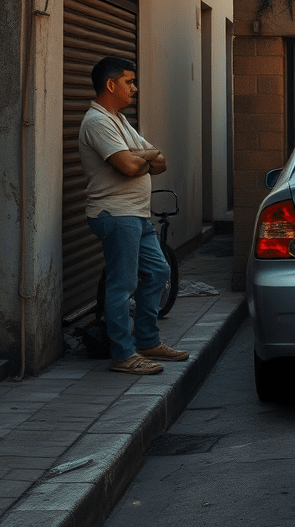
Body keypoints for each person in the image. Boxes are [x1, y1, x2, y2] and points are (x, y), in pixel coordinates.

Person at [79, 56, 189, 375]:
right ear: (111, 84)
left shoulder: (119, 120)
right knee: (122, 284)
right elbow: (127, 166)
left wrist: (141, 156)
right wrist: (143, 157)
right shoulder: (97, 122)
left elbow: (162, 161)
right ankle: (123, 354)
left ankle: (147, 340)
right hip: (115, 214)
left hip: (135, 215)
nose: (134, 88)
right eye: (129, 81)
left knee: (157, 271)